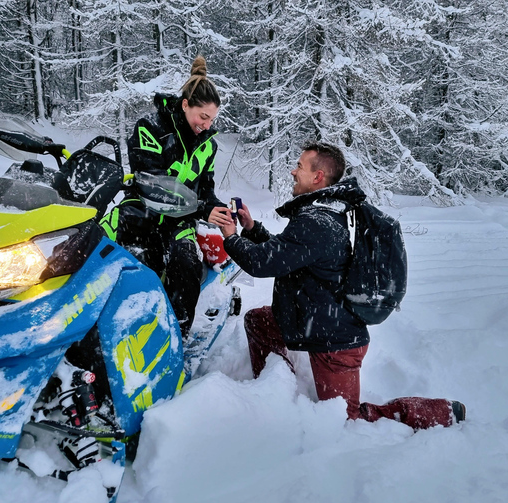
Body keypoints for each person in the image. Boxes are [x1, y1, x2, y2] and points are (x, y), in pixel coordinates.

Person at [216, 142, 466, 429]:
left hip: (334, 341)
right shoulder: (318, 215)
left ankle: (441, 412)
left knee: (350, 421)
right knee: (259, 321)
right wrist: (252, 229)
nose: (293, 171)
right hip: (310, 321)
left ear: (318, 177)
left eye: (299, 166)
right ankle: (277, 389)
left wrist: (232, 237)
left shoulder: (317, 222)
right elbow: (287, 252)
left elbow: (263, 263)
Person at [100, 56, 232, 339]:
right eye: (203, 117)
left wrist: (217, 209)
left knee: (186, 266)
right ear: (185, 105)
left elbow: (205, 189)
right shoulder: (150, 128)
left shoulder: (209, 146)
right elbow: (150, 181)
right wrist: (201, 207)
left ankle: (176, 336)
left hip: (180, 220)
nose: (207, 125)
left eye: (212, 119)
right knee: (110, 256)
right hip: (140, 210)